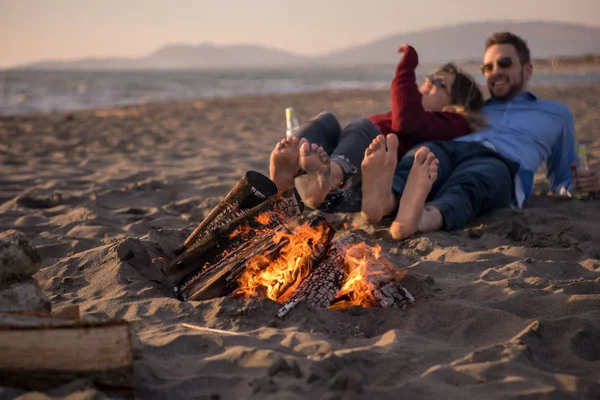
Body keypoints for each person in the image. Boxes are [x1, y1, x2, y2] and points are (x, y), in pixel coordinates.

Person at [359, 31, 600, 241]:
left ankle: (422, 218)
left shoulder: (557, 114)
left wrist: (582, 186)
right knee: (422, 155)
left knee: (470, 184)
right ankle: (386, 201)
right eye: (488, 67)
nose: (495, 72)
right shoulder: (472, 110)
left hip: (500, 161)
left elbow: (562, 180)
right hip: (450, 148)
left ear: (527, 69)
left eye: (505, 63)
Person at [269, 44, 484, 211]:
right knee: (327, 121)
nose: (429, 81)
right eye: (432, 77)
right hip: (344, 163)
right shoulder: (431, 118)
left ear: (456, 106)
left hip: (359, 179)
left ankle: (330, 174)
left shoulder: (454, 121)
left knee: (365, 126)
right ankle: (287, 172)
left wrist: (406, 68)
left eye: (441, 84)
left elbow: (406, 120)